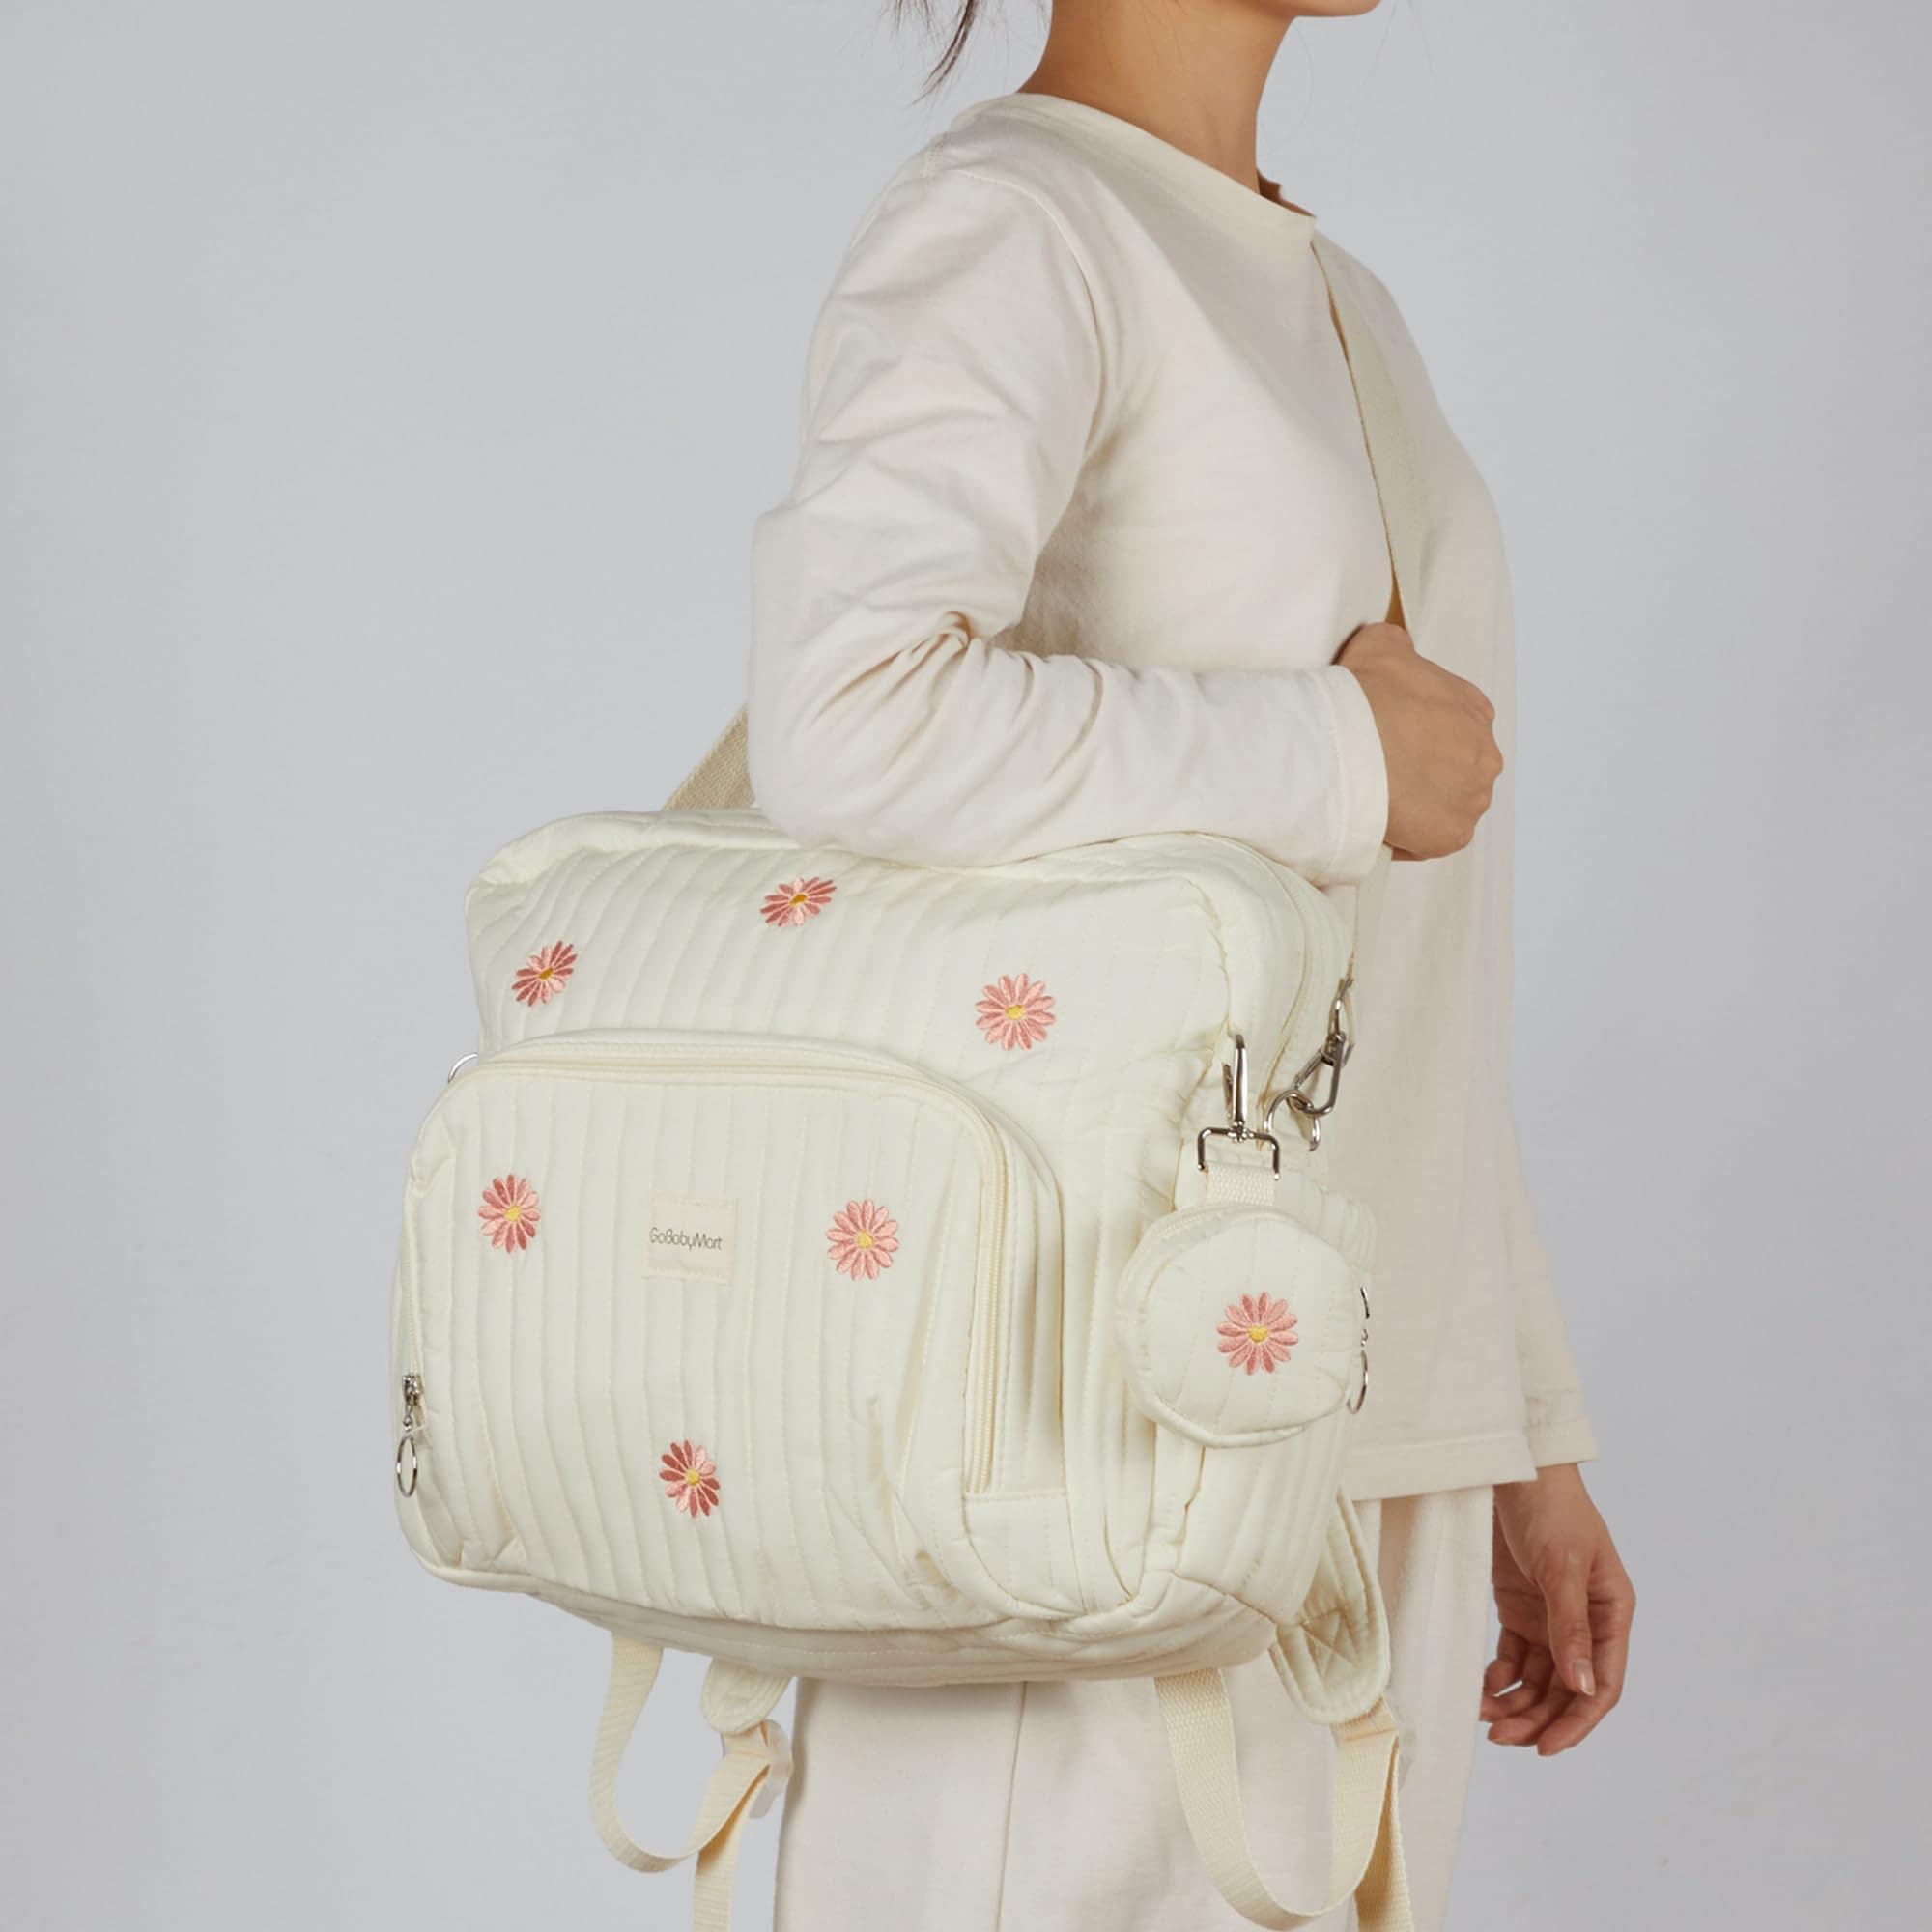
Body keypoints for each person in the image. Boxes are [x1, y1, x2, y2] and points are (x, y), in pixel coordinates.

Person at [746, 3, 1636, 1924]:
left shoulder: (1334, 298)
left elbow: (1400, 980)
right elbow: (847, 715)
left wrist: (1525, 1435)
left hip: (1351, 1431)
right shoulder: (1020, 223)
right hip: (1089, 1433)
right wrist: (1334, 753)